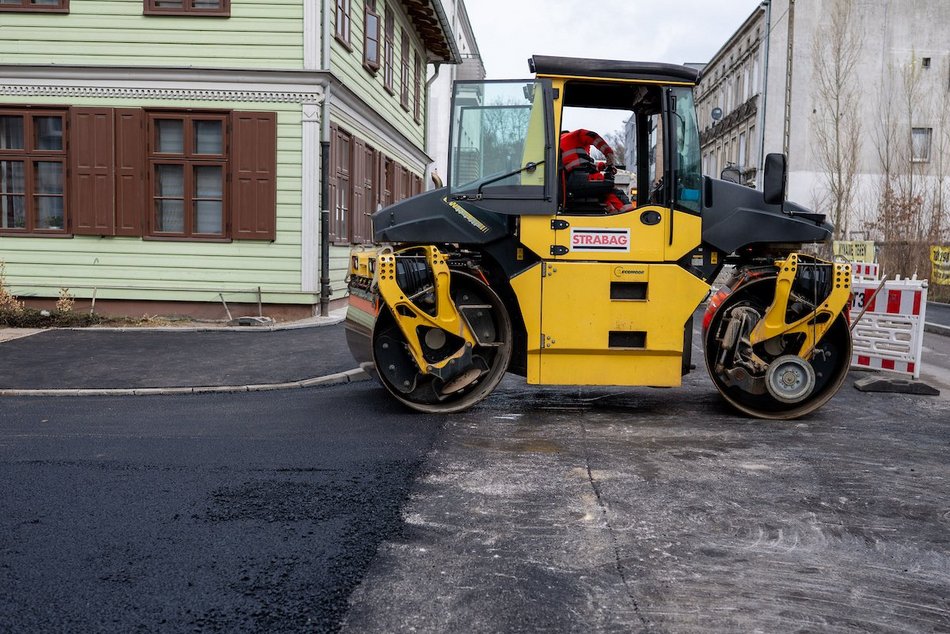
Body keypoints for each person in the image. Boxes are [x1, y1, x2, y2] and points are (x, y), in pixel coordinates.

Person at [559, 129, 633, 213]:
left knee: (602, 194)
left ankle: (612, 212)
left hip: (573, 181)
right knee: (611, 190)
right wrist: (609, 154)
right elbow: (592, 136)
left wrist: (604, 166)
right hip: (583, 177)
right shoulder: (574, 136)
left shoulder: (557, 149)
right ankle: (628, 212)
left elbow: (578, 164)